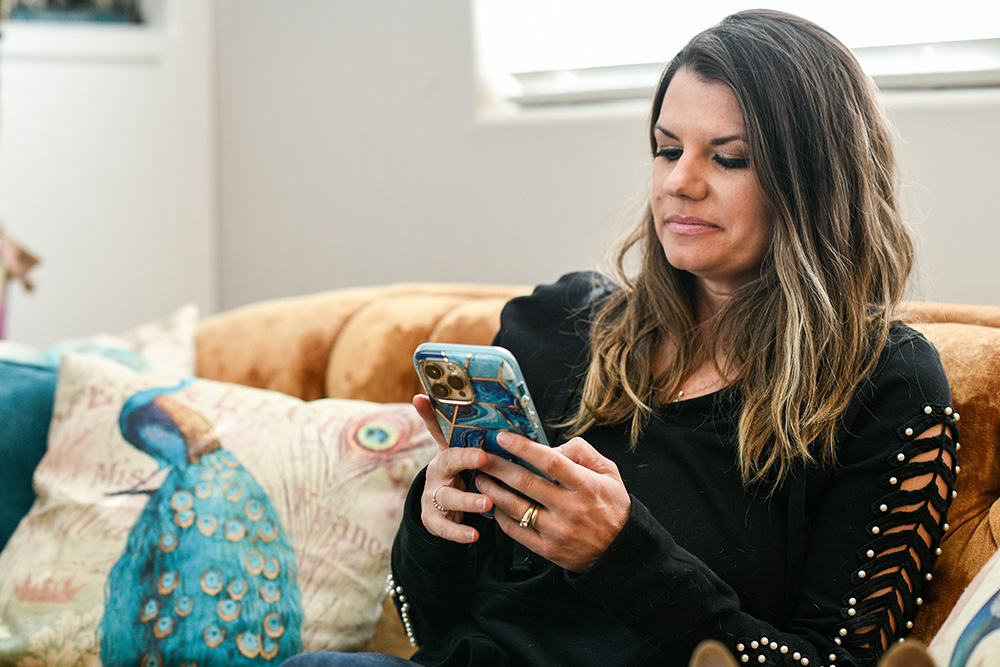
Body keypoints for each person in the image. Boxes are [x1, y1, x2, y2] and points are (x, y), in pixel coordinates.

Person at [284, 9, 957, 667]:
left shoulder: (885, 387)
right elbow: (430, 625)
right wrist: (435, 522)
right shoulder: (556, 325)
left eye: (729, 158)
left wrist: (622, 553)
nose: (678, 182)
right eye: (667, 149)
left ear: (813, 180)